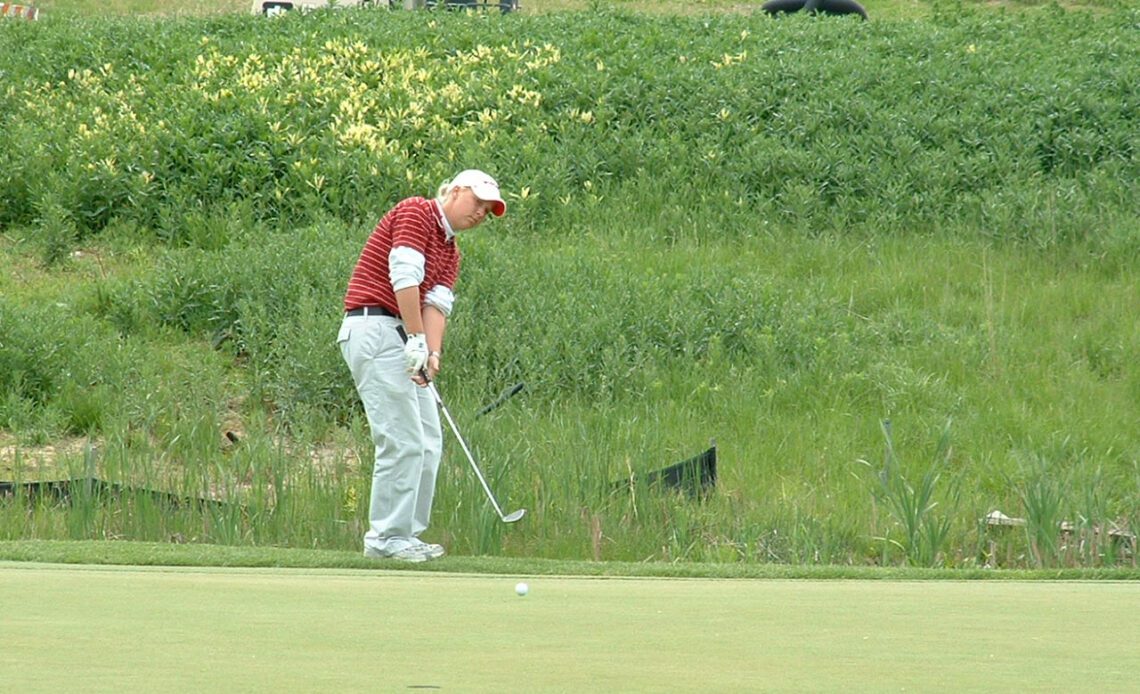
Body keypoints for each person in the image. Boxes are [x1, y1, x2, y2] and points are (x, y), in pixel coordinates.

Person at [337, 169, 506, 562]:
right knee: (403, 439)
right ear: (456, 190)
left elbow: (437, 305)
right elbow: (405, 276)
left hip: (404, 335)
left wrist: (431, 353)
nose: (480, 213)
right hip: (375, 327)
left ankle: (406, 535)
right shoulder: (417, 212)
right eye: (477, 202)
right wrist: (414, 338)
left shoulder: (451, 250)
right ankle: (385, 537)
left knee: (429, 440)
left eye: (488, 210)